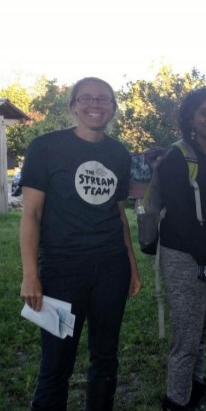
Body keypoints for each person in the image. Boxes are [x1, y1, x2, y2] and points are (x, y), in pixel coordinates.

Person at [19, 76, 141, 410]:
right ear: (73, 105)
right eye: (86, 98)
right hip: (62, 270)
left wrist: (130, 264)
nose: (95, 105)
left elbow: (118, 215)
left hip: (111, 269)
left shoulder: (119, 153)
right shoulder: (45, 147)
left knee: (105, 356)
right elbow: (30, 215)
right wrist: (31, 274)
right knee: (57, 362)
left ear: (113, 108)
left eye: (103, 99)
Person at [158, 87, 206, 411]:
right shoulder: (176, 157)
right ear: (191, 117)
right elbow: (178, 213)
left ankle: (196, 398)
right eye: (205, 112)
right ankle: (177, 402)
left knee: (203, 332)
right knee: (186, 339)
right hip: (184, 256)